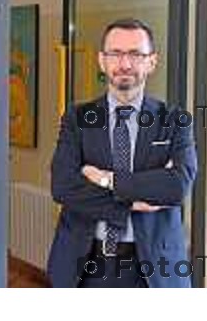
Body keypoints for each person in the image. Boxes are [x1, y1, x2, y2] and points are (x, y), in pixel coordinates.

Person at [47, 19, 198, 288]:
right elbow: (63, 185)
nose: (125, 64)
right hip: (87, 265)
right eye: (115, 54)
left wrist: (108, 180)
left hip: (154, 269)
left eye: (136, 54)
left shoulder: (175, 120)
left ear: (152, 62)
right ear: (102, 61)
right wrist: (131, 201)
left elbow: (176, 186)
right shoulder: (77, 118)